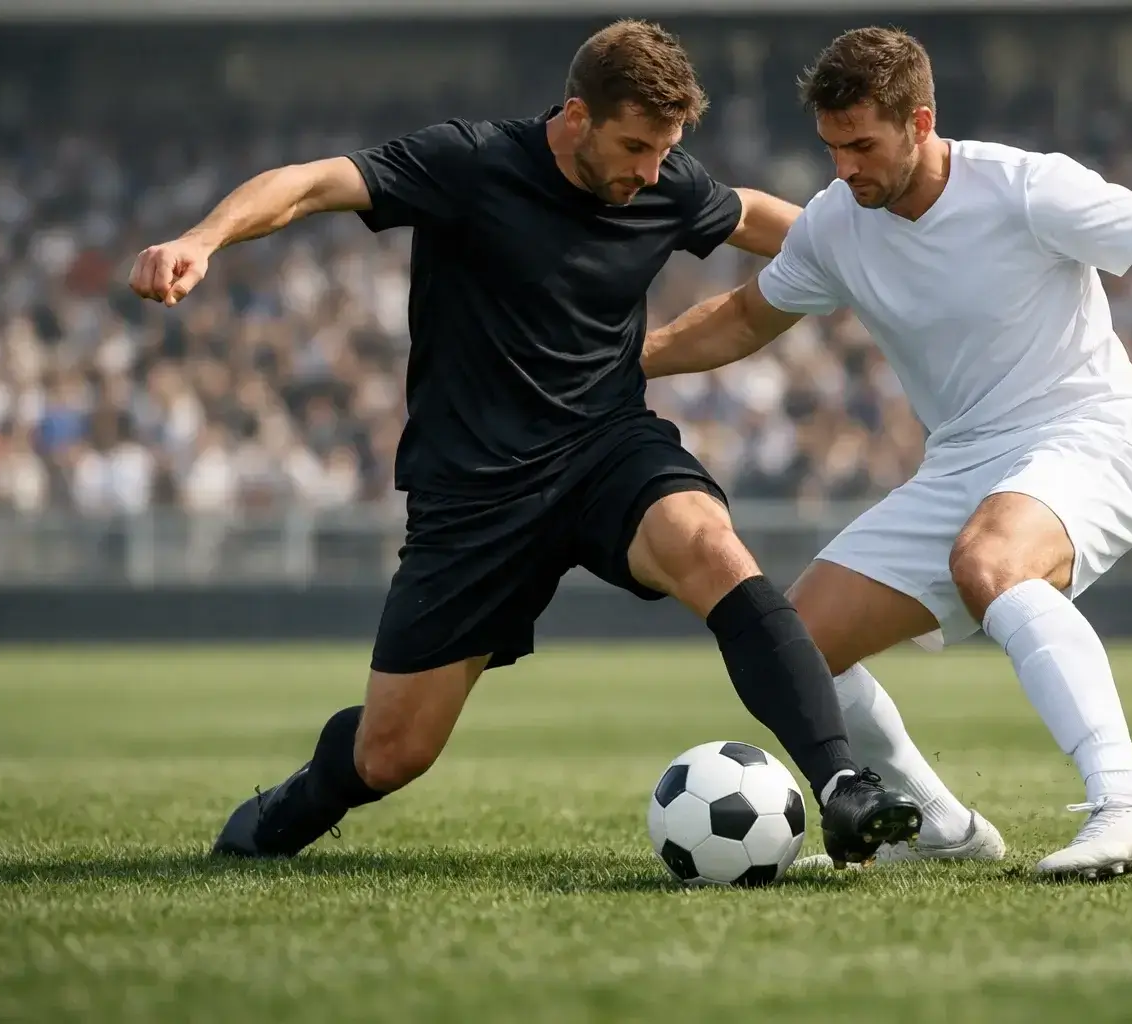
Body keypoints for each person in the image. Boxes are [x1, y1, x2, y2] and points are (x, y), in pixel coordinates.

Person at [642, 27, 1132, 880]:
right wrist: (615, 361)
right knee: (792, 646)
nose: (844, 169)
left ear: (920, 122)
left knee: (991, 560)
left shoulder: (1026, 188)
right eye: (832, 148)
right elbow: (740, 319)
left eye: (863, 145)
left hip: (1090, 436)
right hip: (961, 465)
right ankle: (937, 823)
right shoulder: (839, 222)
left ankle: (1131, 803)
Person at [128, 20, 922, 867]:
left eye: (665, 151)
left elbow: (756, 216)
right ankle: (296, 804)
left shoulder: (662, 180)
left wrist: (878, 250)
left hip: (608, 448)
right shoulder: (469, 164)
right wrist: (200, 239)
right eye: (635, 147)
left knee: (711, 547)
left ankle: (843, 785)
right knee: (392, 753)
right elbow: (312, 184)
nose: (650, 173)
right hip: (475, 493)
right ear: (577, 116)